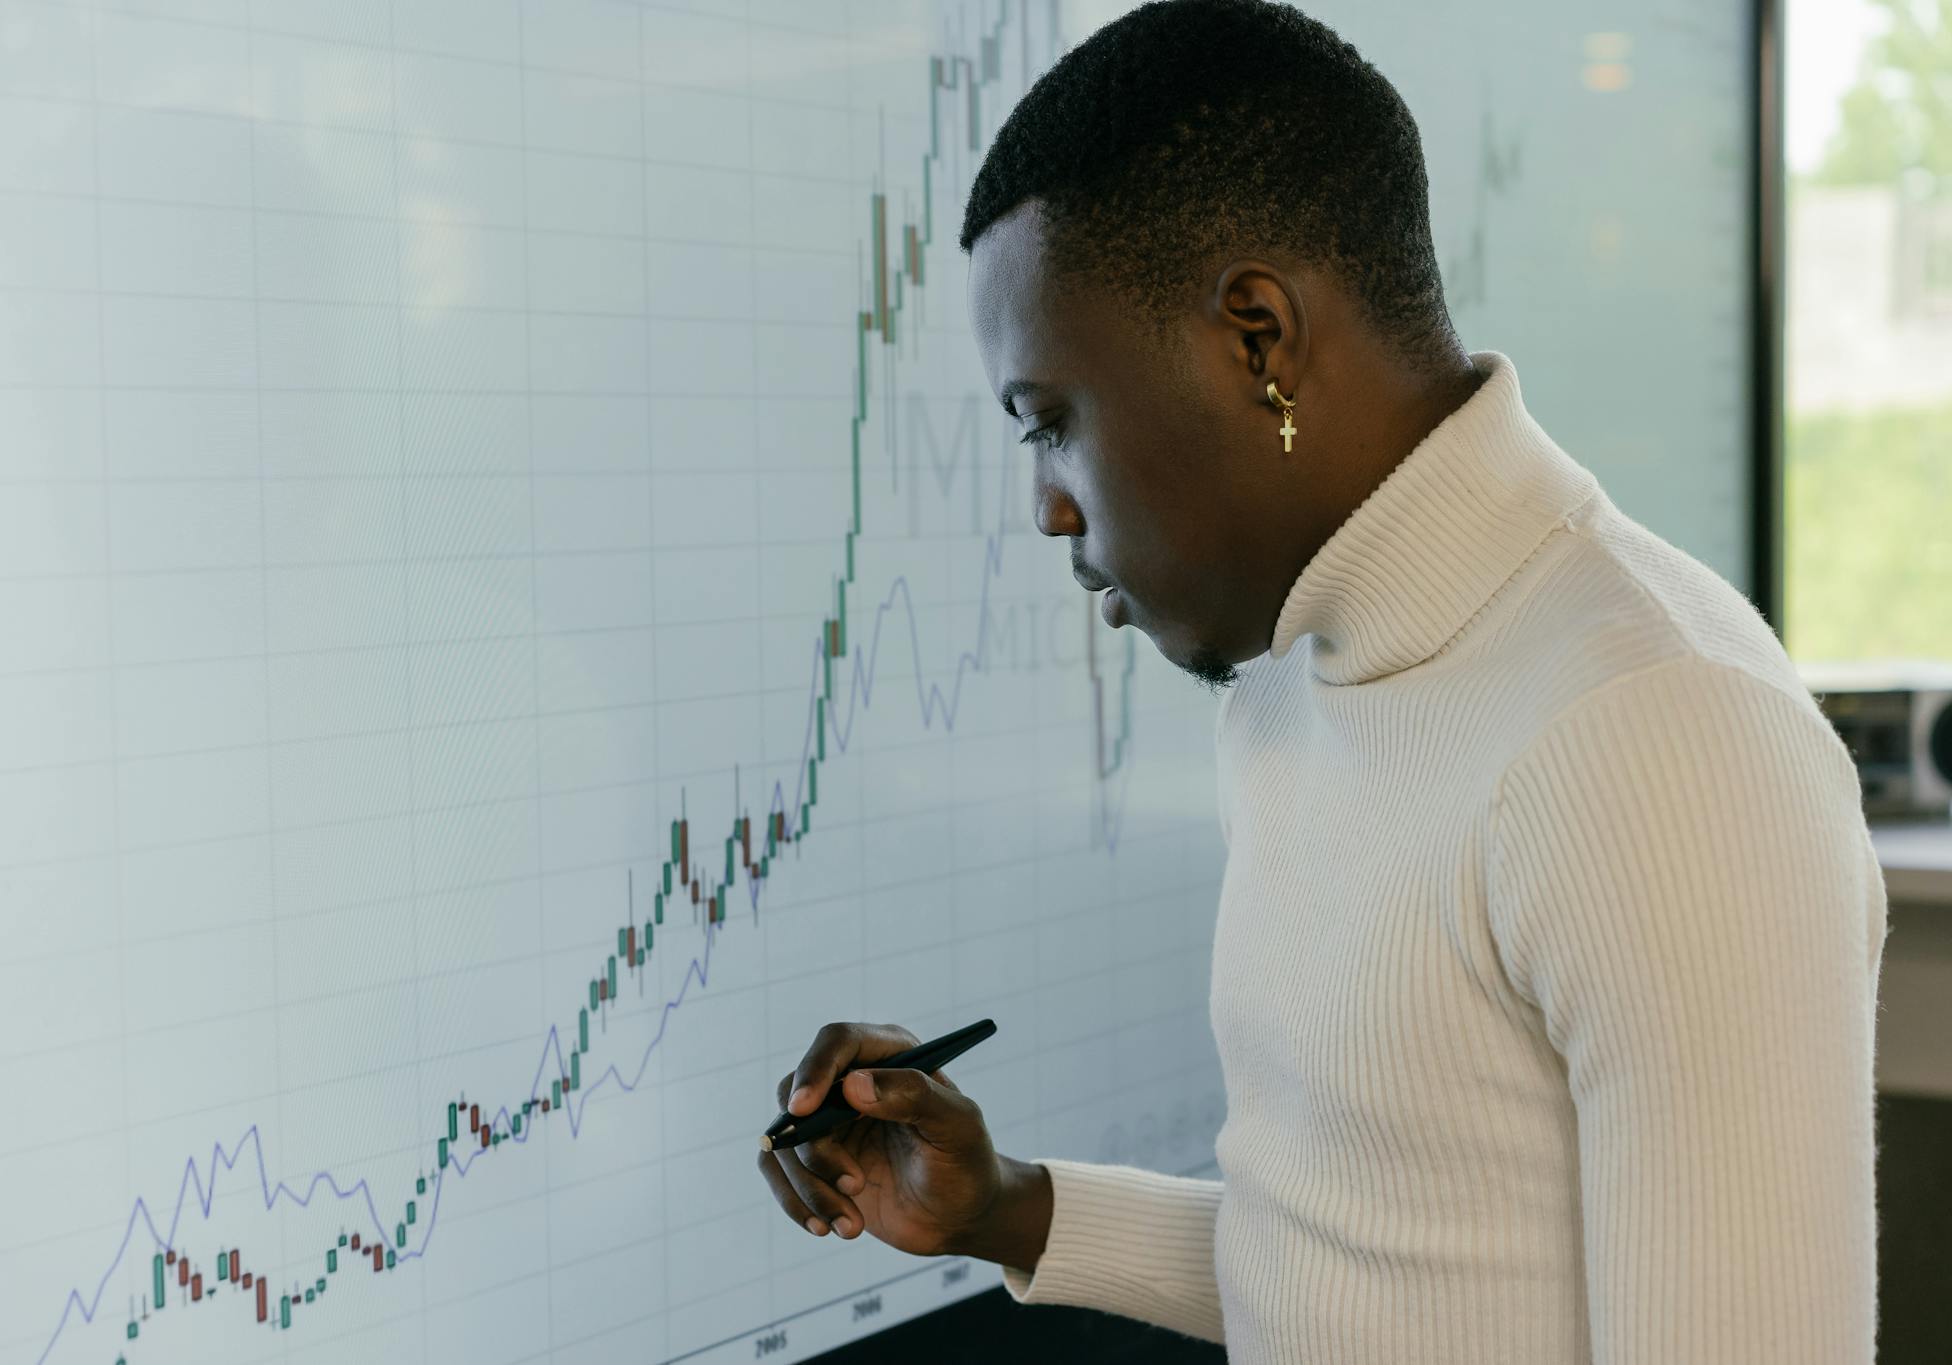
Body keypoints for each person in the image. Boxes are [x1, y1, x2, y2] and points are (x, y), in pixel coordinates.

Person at [754, 1, 1886, 1360]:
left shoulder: (1658, 732)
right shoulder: (1300, 680)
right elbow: (1361, 1266)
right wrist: (1005, 1209)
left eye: (1053, 422)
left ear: (1259, 338)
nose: (1050, 510)